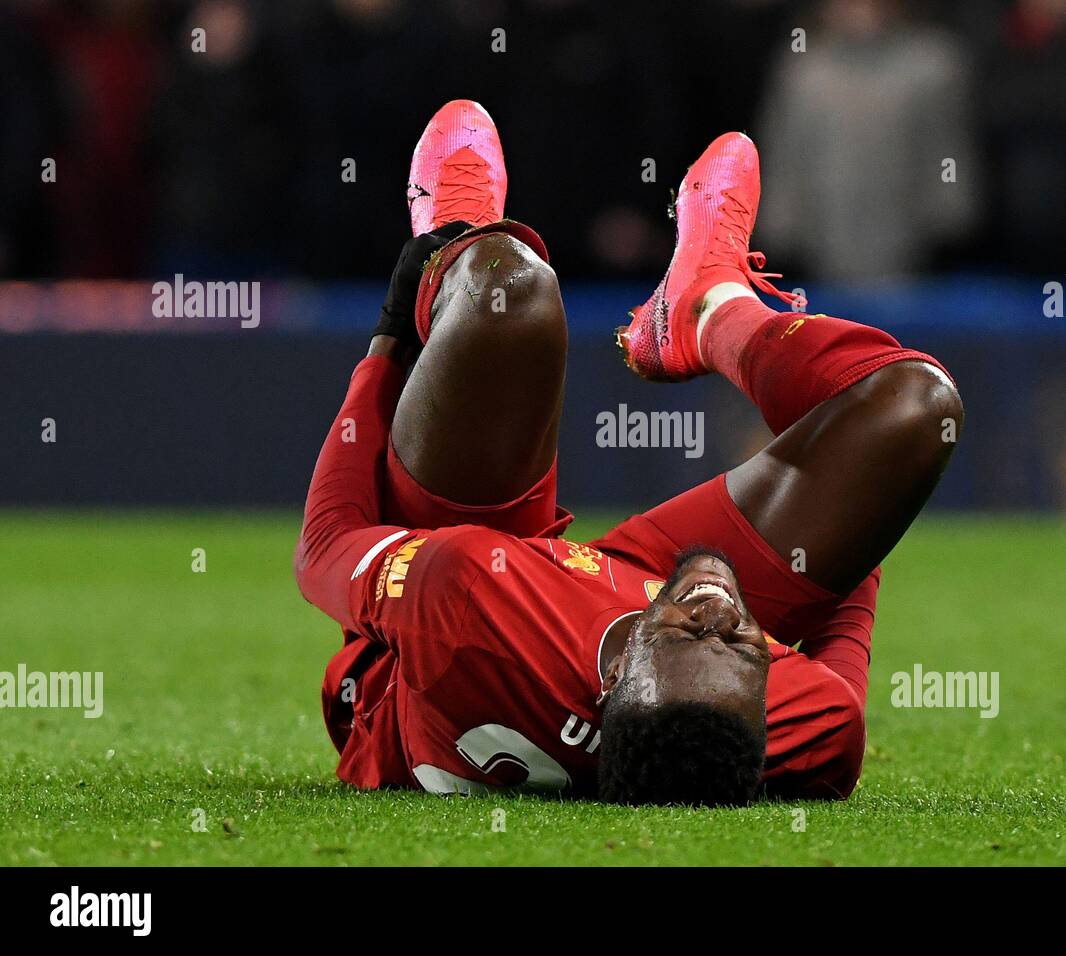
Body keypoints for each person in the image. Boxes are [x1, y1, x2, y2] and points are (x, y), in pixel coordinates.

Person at [294, 100, 962, 805]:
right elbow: (842, 628)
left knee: (511, 290)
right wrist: (857, 511)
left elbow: (326, 544)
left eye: (685, 638)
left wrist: (390, 339)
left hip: (448, 641)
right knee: (918, 411)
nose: (717, 613)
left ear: (611, 680)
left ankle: (453, 235)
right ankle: (709, 308)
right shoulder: (800, 727)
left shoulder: (463, 596)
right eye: (744, 647)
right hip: (627, 589)